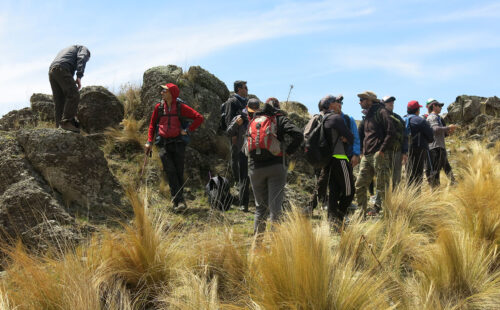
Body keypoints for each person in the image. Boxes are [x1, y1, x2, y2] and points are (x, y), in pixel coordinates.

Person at [144, 83, 204, 211]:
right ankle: (178, 201)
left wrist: (187, 130)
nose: (161, 93)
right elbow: (152, 125)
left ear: (171, 93)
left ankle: (179, 202)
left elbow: (199, 118)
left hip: (178, 143)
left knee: (178, 171)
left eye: (164, 91)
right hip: (163, 143)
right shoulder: (158, 108)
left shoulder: (181, 107)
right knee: (170, 171)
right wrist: (149, 141)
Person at [249, 103, 303, 235]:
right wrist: (289, 152)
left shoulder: (254, 120)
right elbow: (298, 134)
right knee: (275, 209)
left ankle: (257, 247)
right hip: (276, 167)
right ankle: (275, 248)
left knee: (260, 209)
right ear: (276, 109)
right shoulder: (280, 119)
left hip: (255, 168)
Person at [355, 91, 395, 216]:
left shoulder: (381, 111)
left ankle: (385, 214)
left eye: (362, 99)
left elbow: (391, 131)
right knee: (360, 184)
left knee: (382, 186)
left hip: (379, 155)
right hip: (367, 156)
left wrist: (381, 150)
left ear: (369, 100)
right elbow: (362, 135)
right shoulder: (368, 115)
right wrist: (362, 151)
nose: (360, 102)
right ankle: (361, 214)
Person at [321, 95, 355, 223]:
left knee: (334, 192)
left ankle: (332, 222)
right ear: (331, 105)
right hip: (340, 158)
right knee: (350, 191)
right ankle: (340, 217)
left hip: (328, 161)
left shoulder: (323, 118)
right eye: (336, 102)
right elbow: (350, 137)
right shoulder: (336, 118)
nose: (339, 104)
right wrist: (345, 137)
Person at [226, 98, 260, 212]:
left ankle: (259, 204)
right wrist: (236, 124)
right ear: (246, 108)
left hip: (257, 152)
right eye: (251, 110)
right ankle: (243, 204)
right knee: (244, 179)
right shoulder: (239, 118)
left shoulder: (261, 119)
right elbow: (229, 132)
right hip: (242, 152)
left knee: (258, 178)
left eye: (255, 110)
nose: (253, 112)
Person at [49, 45, 91, 132]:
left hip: (52, 71)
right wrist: (79, 76)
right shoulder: (83, 49)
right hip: (62, 68)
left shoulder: (66, 50)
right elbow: (82, 58)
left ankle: (59, 127)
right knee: (74, 94)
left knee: (59, 101)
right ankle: (66, 122)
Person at [223, 80, 250, 211]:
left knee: (245, 170)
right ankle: (242, 200)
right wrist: (233, 137)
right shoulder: (232, 102)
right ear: (239, 89)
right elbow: (229, 120)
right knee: (239, 168)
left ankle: (244, 199)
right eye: (245, 87)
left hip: (248, 141)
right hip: (237, 141)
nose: (247, 89)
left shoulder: (247, 102)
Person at [425, 98, 457, 187]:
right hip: (435, 148)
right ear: (434, 106)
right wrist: (448, 128)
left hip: (439, 146)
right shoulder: (432, 117)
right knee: (436, 170)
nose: (441, 108)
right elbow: (435, 129)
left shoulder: (438, 117)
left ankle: (453, 184)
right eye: (439, 106)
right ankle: (436, 190)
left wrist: (448, 132)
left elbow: (440, 132)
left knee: (446, 166)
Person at [404, 100, 434, 187]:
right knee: (418, 175)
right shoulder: (420, 120)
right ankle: (416, 197)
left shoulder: (403, 119)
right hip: (419, 150)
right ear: (417, 110)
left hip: (405, 150)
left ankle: (408, 195)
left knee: (408, 173)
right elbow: (430, 136)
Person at [381, 96, 408, 188]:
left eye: (392, 101)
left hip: (397, 151)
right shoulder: (379, 116)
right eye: (388, 101)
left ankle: (395, 197)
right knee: (384, 176)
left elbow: (404, 136)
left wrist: (404, 152)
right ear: (383, 103)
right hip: (384, 151)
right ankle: (384, 198)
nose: (391, 103)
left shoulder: (398, 118)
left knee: (397, 175)